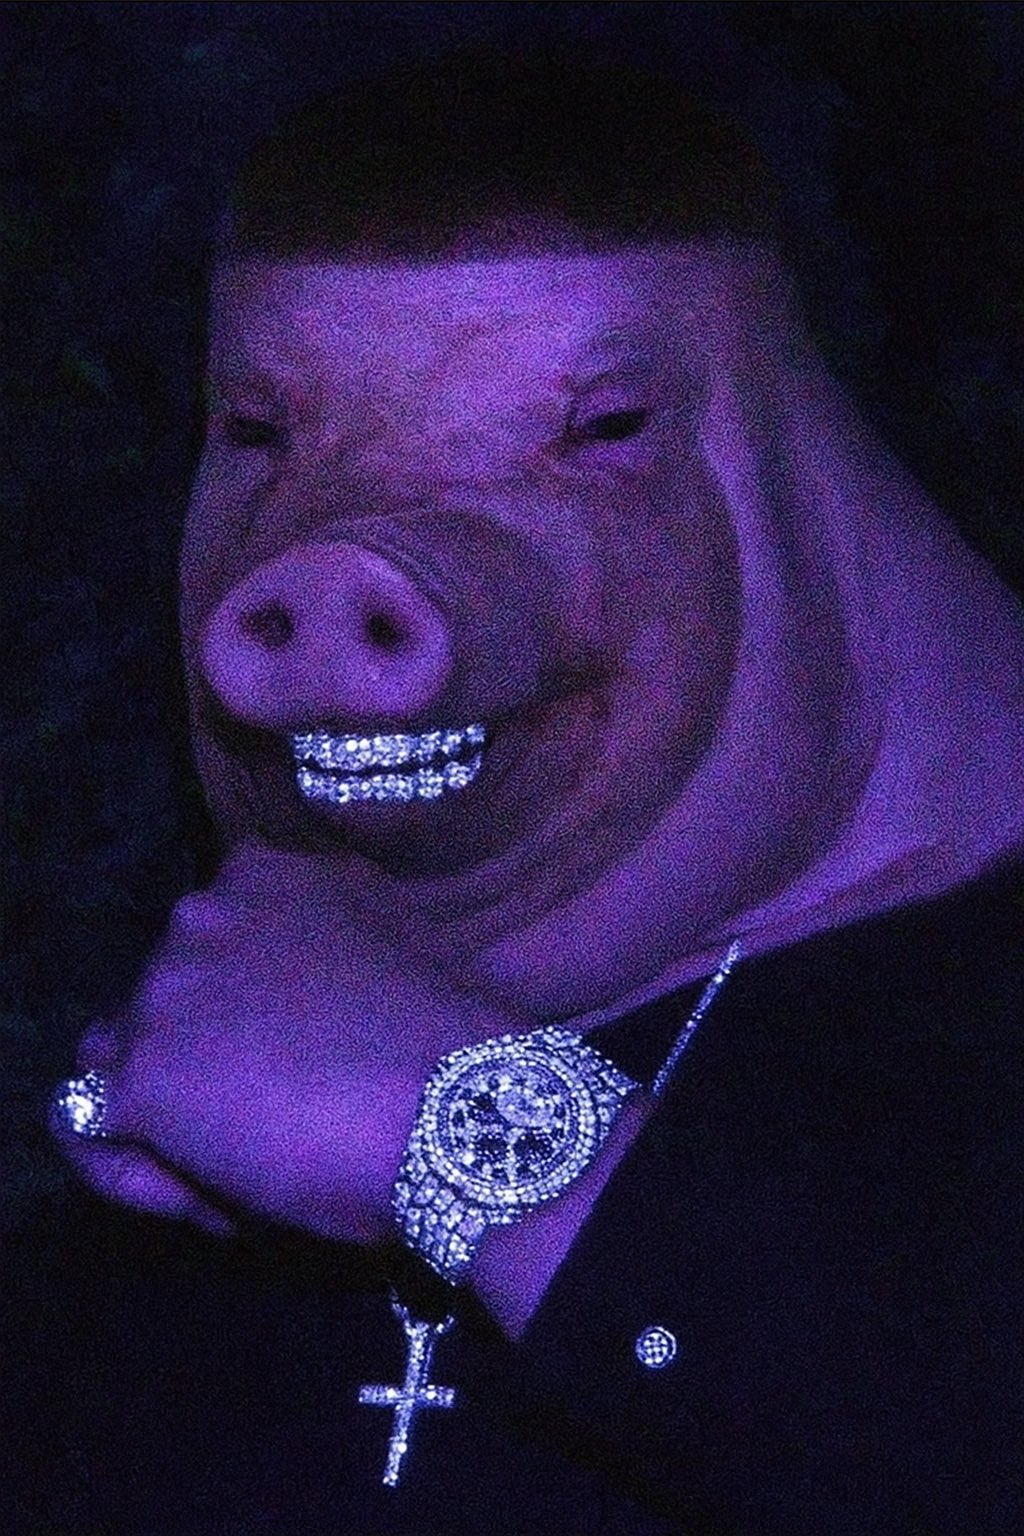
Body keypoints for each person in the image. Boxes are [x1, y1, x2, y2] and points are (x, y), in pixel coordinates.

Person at [10, 45, 1023, 1534]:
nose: (322, 550)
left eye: (599, 432)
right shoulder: (152, 1049)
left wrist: (470, 1134)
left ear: (793, 476)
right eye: (261, 437)